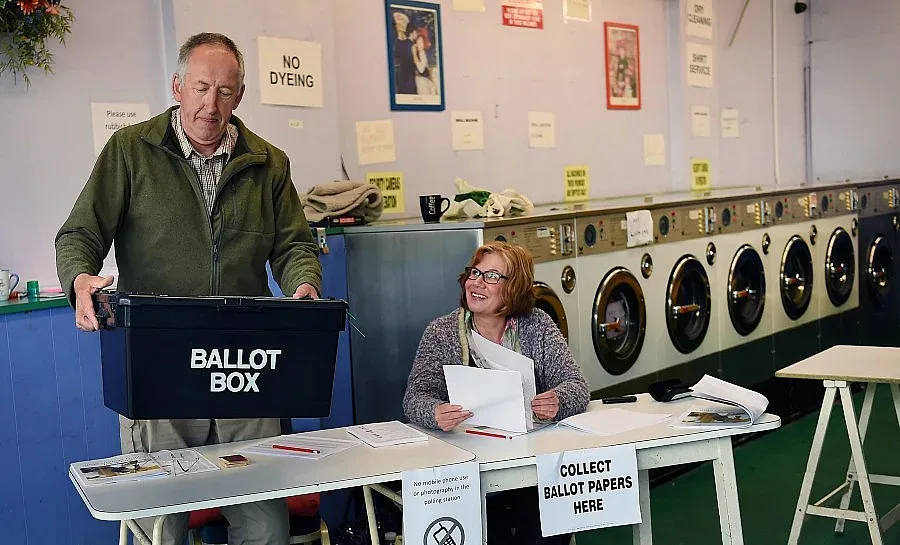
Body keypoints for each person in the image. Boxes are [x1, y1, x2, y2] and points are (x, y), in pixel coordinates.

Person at [55, 32, 321, 545]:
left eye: (225, 91)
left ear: (240, 96)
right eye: (201, 88)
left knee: (266, 526)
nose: (211, 103)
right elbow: (80, 234)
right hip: (161, 364)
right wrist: (80, 277)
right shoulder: (130, 151)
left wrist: (304, 284)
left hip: (248, 367)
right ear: (178, 86)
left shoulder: (269, 163)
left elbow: (294, 246)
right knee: (162, 525)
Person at [403, 241, 589, 544]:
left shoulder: (537, 325)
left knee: (542, 525)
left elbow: (576, 385)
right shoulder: (442, 332)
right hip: (469, 464)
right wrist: (435, 412)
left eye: (491, 276)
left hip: (530, 462)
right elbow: (415, 397)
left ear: (513, 288)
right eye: (474, 273)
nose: (476, 283)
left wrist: (558, 401)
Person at [392, 11, 417, 95]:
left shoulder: (411, 44)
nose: (401, 26)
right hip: (399, 80)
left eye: (403, 23)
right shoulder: (394, 44)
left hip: (411, 79)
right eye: (399, 24)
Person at [412, 27, 438, 95]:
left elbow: (421, 70)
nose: (420, 44)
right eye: (418, 41)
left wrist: (414, 54)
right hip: (419, 80)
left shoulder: (422, 53)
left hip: (423, 82)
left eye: (422, 42)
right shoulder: (419, 52)